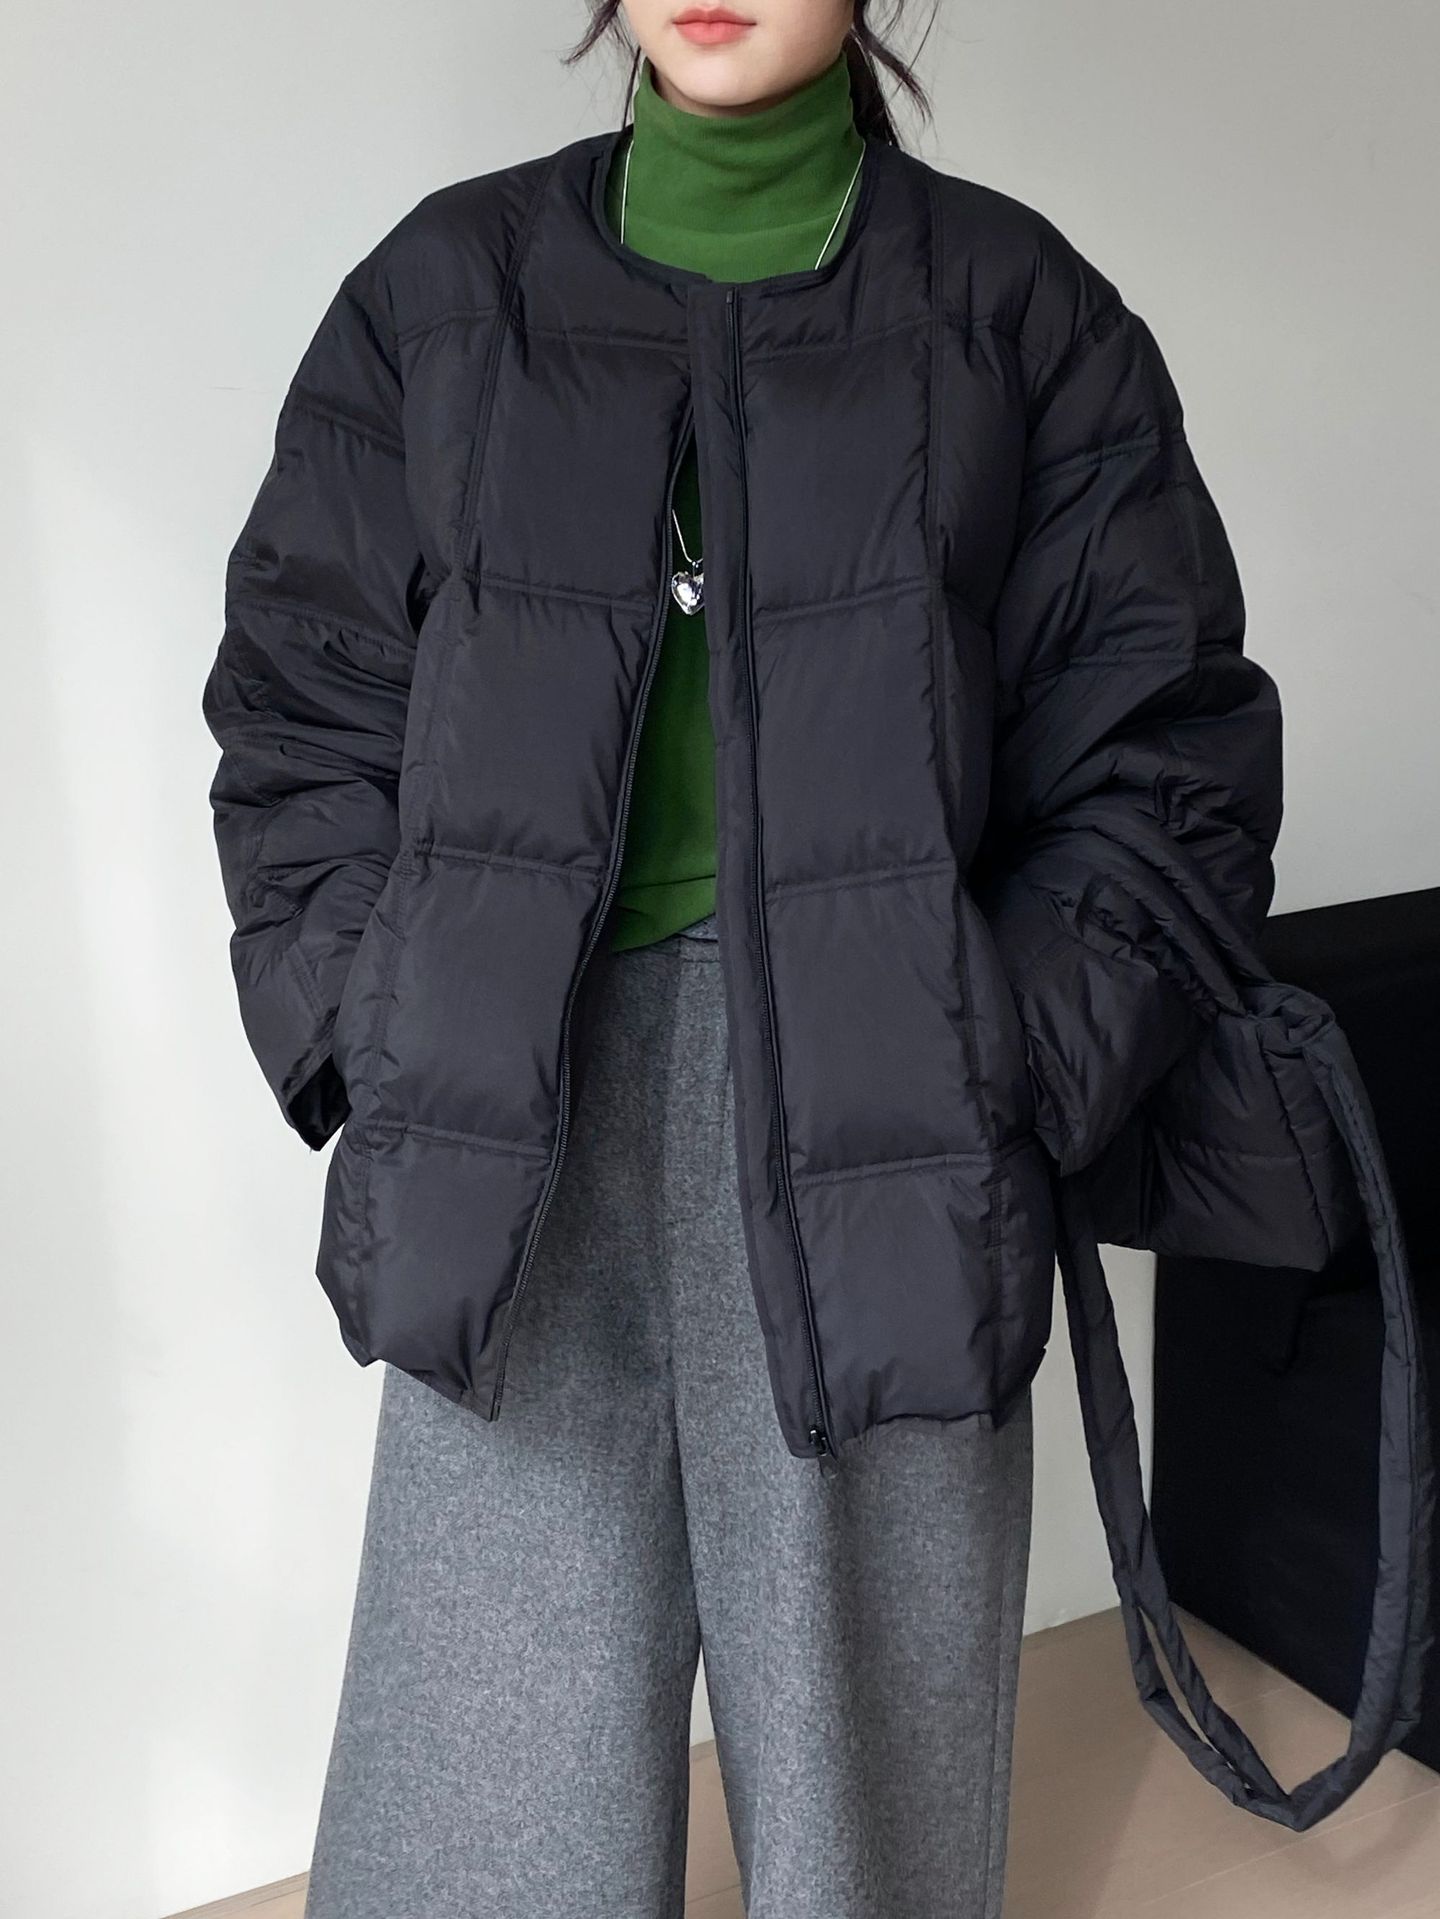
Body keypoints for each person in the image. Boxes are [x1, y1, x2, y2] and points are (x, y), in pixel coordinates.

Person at [200, 2, 1433, 1914]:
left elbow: (1164, 757)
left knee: (870, 1846)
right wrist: (389, 1027)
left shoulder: (1020, 313)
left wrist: (994, 1058)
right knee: (477, 1832)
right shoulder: (444, 296)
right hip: (518, 1129)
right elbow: (303, 709)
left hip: (890, 1128)